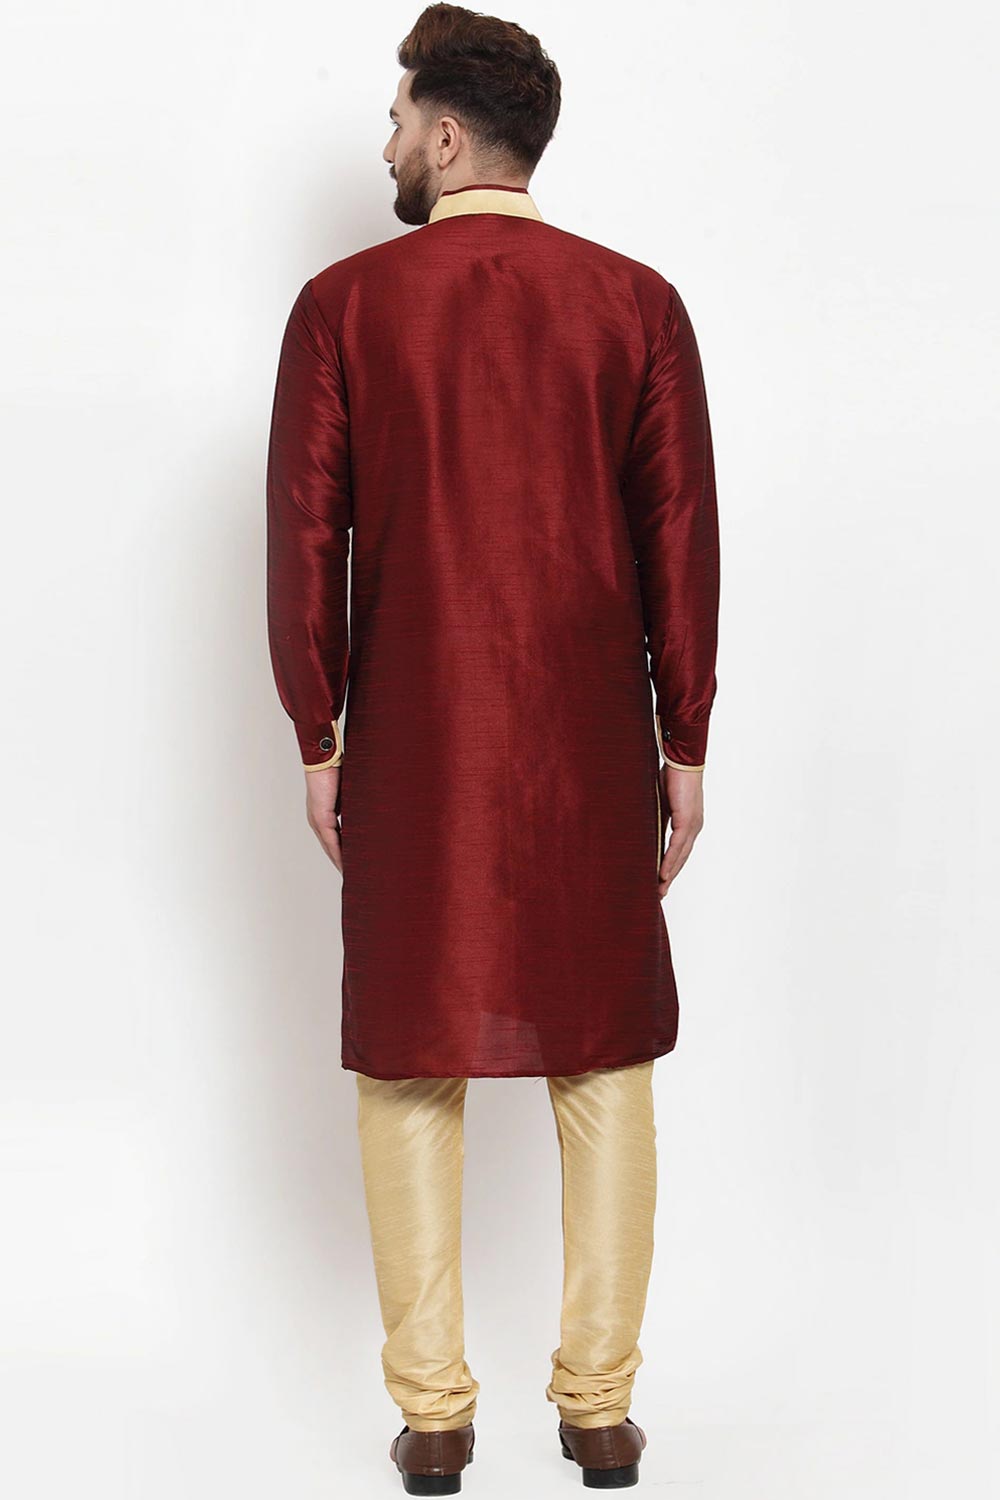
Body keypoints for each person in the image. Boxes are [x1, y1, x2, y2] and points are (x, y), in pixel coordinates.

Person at [265, 5, 720, 1491]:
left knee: (410, 1059)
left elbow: (304, 538)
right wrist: (685, 738)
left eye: (400, 118)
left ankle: (434, 1417)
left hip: (417, 733)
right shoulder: (636, 304)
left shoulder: (343, 306)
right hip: (590, 736)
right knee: (606, 1058)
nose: (388, 141)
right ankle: (599, 1410)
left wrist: (319, 730)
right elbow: (681, 539)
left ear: (449, 134)